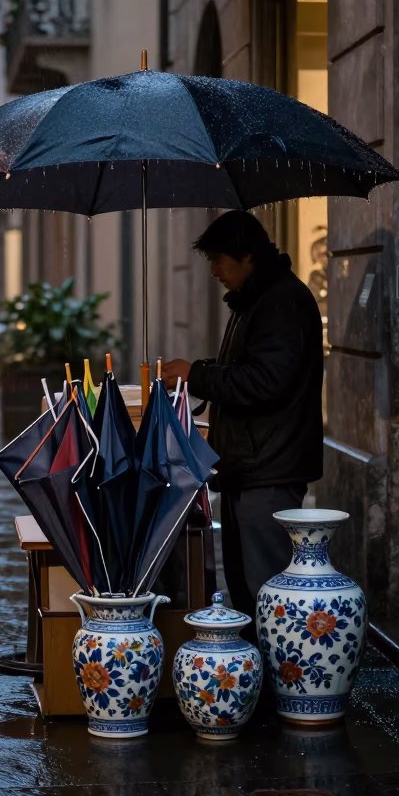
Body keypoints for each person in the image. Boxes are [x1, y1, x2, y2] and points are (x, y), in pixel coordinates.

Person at [161, 211, 324, 627]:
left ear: (247, 256)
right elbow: (247, 367)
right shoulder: (253, 301)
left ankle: (279, 683)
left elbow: (266, 380)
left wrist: (197, 375)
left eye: (219, 259)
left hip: (268, 468)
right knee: (246, 587)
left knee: (267, 588)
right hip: (248, 467)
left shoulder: (280, 301)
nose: (213, 270)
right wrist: (198, 372)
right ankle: (259, 678)